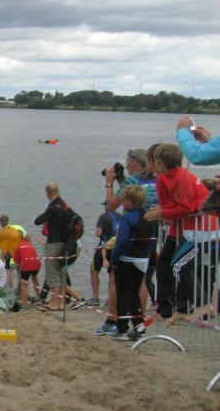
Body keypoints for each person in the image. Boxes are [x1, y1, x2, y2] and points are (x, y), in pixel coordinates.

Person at [144, 143, 209, 320]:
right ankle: (168, 308)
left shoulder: (180, 178)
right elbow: (169, 205)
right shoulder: (164, 178)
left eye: (155, 162)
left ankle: (191, 305)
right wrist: (164, 212)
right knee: (164, 264)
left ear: (161, 163)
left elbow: (187, 207)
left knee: (178, 266)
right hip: (182, 227)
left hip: (197, 229)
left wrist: (163, 213)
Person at [111, 186, 158, 341]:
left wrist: (113, 259)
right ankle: (139, 328)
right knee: (134, 294)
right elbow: (153, 239)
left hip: (127, 260)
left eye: (123, 199)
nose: (121, 201)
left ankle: (121, 329)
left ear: (129, 201)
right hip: (142, 260)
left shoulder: (127, 218)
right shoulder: (148, 217)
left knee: (123, 294)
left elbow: (121, 241)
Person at [33, 183, 69, 310]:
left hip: (53, 243)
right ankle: (61, 302)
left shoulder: (53, 207)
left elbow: (38, 221)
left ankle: (54, 302)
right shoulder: (65, 205)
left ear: (48, 193)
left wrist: (46, 216)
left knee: (52, 272)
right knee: (61, 273)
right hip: (65, 244)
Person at [89, 202, 120, 306]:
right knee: (112, 274)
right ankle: (110, 298)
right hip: (115, 248)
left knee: (94, 270)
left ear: (107, 206)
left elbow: (98, 233)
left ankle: (95, 297)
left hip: (103, 247)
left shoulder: (103, 217)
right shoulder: (120, 216)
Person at [12, 235, 40, 307]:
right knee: (34, 279)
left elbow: (15, 260)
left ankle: (24, 304)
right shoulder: (30, 244)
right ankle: (38, 298)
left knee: (24, 284)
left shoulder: (17, 245)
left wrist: (19, 262)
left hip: (26, 264)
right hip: (36, 263)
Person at [0, 215, 21, 289]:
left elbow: (2, 248)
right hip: (19, 256)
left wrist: (1, 260)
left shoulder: (1, 233)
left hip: (10, 258)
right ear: (8, 221)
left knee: (8, 273)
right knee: (21, 277)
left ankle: (10, 291)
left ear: (0, 222)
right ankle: (20, 292)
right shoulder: (15, 230)